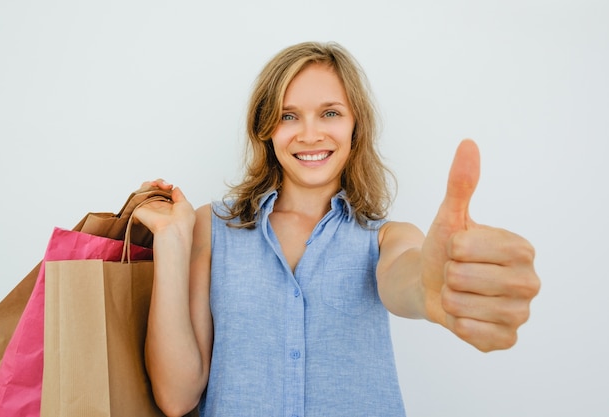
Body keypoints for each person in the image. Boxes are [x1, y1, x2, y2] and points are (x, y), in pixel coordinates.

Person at [134, 41, 540, 417]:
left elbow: (409, 277)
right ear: (266, 129)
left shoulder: (387, 238)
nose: (310, 134)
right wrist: (172, 242)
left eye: (330, 112)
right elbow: (176, 397)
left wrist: (429, 288)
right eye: (288, 116)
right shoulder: (214, 226)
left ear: (354, 126)